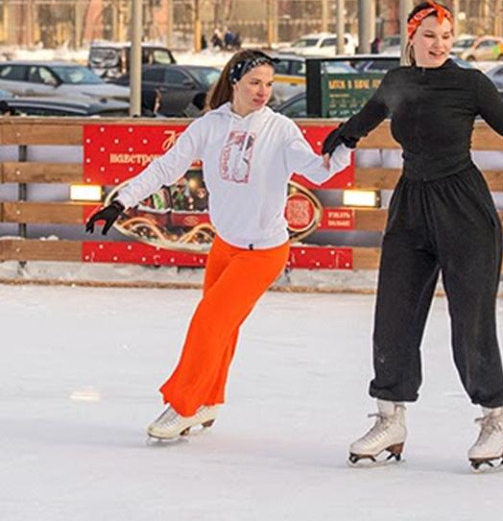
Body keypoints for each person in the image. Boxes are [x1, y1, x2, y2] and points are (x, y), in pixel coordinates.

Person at [85, 49, 352, 440]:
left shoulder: (280, 130)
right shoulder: (210, 125)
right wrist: (120, 201)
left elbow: (317, 169)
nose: (263, 92)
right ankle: (208, 401)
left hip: (263, 252)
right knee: (222, 329)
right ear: (235, 83)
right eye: (255, 83)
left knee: (209, 323)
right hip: (225, 246)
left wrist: (341, 146)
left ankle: (183, 406)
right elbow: (165, 167)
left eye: (269, 84)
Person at [321, 0, 503, 469]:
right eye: (429, 35)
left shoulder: (470, 84)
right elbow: (364, 120)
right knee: (392, 314)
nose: (439, 44)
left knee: (470, 320)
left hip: (463, 208)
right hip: (411, 205)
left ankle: (496, 421)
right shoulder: (397, 82)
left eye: (446, 36)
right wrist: (339, 137)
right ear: (411, 38)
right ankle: (390, 418)